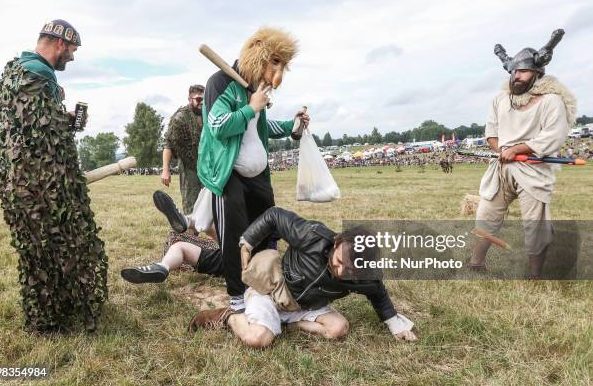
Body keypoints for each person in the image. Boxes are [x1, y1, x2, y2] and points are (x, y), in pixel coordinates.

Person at [121, 205, 417, 348]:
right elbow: (275, 215)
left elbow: (379, 293)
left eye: (348, 271)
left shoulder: (363, 275)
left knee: (338, 328)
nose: (340, 271)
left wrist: (395, 324)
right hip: (271, 288)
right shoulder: (313, 236)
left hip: (305, 305)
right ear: (337, 243)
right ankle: (228, 316)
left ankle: (283, 324)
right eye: (339, 262)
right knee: (258, 339)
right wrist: (247, 242)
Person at [0, 19, 107, 332]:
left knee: (37, 251)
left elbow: (28, 125)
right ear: (59, 43)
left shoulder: (15, 70)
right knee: (55, 248)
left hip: (22, 182)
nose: (71, 57)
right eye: (70, 50)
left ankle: (52, 314)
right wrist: (60, 118)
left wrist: (63, 116)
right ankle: (47, 322)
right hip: (41, 186)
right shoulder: (38, 72)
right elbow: (38, 133)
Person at [197, 27, 310, 311]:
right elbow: (218, 128)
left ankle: (264, 281)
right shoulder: (220, 82)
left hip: (258, 175)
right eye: (274, 62)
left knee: (266, 229)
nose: (277, 74)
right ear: (258, 54)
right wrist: (250, 107)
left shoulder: (254, 89)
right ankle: (236, 296)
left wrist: (292, 127)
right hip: (229, 174)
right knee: (235, 235)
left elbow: (258, 126)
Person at [470, 29, 575, 277]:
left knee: (535, 226)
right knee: (486, 216)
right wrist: (502, 150)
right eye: (514, 71)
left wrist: (518, 148)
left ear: (537, 73)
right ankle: (475, 264)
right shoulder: (500, 100)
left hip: (533, 168)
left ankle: (534, 276)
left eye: (523, 71)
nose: (516, 76)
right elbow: (491, 133)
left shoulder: (552, 101)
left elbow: (553, 136)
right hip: (501, 167)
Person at [161, 84, 205, 215]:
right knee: (192, 208)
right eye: (198, 99)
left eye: (204, 99)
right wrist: (165, 170)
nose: (201, 102)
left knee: (212, 207)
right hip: (189, 167)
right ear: (190, 99)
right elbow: (169, 145)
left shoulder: (210, 114)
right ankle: (191, 234)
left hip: (208, 167)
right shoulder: (180, 118)